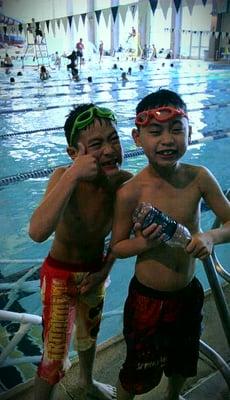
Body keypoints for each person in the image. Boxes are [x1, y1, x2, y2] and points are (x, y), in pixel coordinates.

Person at [111, 89, 230, 400]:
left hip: (187, 295)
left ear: (190, 132)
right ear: (138, 138)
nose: (167, 140)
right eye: (155, 132)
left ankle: (173, 396)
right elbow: (117, 247)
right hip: (145, 300)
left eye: (176, 130)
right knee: (137, 366)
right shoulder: (130, 192)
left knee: (182, 361)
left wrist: (210, 236)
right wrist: (143, 244)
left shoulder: (199, 178)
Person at [29, 103, 133, 400]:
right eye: (97, 144)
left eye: (114, 139)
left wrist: (103, 272)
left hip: (95, 274)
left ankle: (87, 383)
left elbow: (119, 237)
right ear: (74, 154)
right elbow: (37, 232)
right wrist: (73, 175)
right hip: (59, 276)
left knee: (89, 339)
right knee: (53, 357)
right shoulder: (64, 176)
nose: (110, 150)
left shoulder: (122, 184)